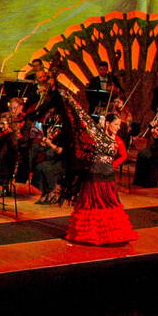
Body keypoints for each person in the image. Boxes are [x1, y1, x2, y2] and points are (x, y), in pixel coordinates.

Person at [60, 91, 136, 245]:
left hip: (107, 177)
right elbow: (82, 118)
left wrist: (112, 165)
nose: (117, 128)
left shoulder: (118, 141)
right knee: (91, 203)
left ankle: (108, 234)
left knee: (108, 203)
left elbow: (123, 156)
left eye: (119, 125)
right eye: (115, 125)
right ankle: (90, 234)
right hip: (93, 175)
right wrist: (69, 99)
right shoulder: (96, 135)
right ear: (107, 123)